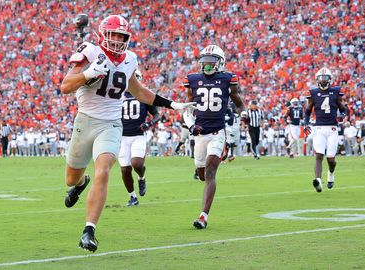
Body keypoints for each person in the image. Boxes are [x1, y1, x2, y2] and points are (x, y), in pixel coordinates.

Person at [60, 15, 194, 252]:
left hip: (111, 123)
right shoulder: (90, 51)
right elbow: (65, 86)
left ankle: (89, 230)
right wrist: (88, 74)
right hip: (85, 120)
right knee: (71, 179)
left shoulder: (130, 59)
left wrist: (173, 104)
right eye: (114, 35)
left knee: (103, 171)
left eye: (122, 36)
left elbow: (140, 92)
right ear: (103, 34)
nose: (118, 40)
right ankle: (81, 185)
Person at [183, 45, 245, 229]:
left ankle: (203, 216)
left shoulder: (227, 79)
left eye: (211, 63)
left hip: (218, 132)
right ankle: (200, 169)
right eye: (204, 62)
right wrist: (191, 125)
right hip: (200, 134)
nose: (207, 66)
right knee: (202, 174)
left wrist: (244, 115)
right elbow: (187, 108)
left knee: (210, 172)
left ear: (220, 62)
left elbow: (239, 103)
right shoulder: (193, 80)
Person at [118, 69, 161, 206]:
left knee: (137, 163)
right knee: (125, 169)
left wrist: (148, 123)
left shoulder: (144, 95)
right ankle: (132, 196)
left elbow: (157, 115)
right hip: (122, 137)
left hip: (138, 135)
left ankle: (141, 178)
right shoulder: (117, 95)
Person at [304, 67, 348, 192]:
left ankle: (331, 173)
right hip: (319, 128)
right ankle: (318, 180)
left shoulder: (336, 91)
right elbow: (307, 112)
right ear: (317, 79)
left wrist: (342, 116)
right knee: (319, 154)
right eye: (321, 78)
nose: (323, 81)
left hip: (333, 128)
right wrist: (306, 124)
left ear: (330, 79)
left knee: (331, 158)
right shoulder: (313, 93)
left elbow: (343, 109)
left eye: (325, 78)